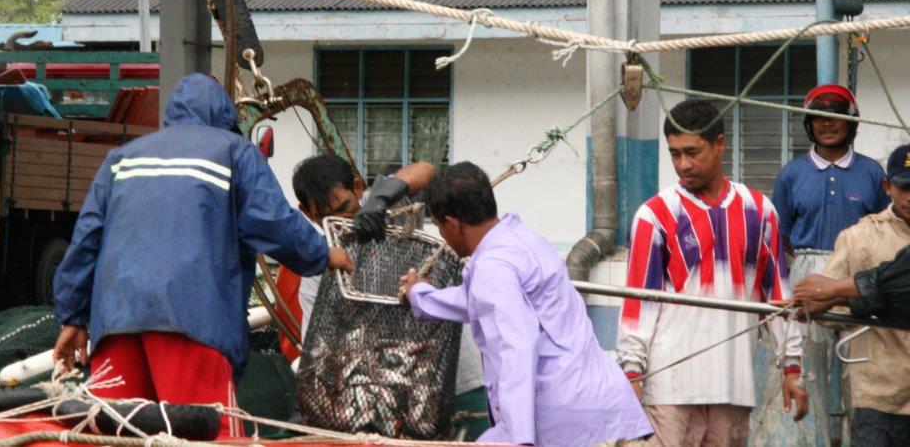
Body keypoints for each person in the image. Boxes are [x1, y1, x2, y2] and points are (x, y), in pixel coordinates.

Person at [52, 74, 353, 438]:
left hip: (115, 323)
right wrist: (323, 253)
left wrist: (72, 317)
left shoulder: (120, 159)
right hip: (192, 323)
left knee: (114, 435)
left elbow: (86, 239)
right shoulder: (234, 152)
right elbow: (273, 222)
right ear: (225, 116)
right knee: (208, 436)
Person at [400, 161, 652, 446]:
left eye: (439, 226)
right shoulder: (522, 238)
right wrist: (420, 295)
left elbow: (516, 345)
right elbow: (479, 301)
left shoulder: (492, 267)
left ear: (452, 224)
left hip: (568, 421)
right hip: (608, 408)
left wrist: (517, 438)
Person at [617, 99, 806, 446]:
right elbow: (637, 304)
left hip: (733, 385)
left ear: (720, 144)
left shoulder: (759, 210)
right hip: (669, 387)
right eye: (675, 154)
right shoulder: (655, 215)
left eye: (692, 152)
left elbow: (778, 298)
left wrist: (792, 367)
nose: (683, 164)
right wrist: (632, 372)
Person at [288, 153, 490, 440]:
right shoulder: (318, 268)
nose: (341, 221)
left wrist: (380, 200)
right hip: (395, 400)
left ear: (358, 187)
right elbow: (319, 348)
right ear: (307, 213)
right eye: (325, 217)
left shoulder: (389, 208)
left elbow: (427, 170)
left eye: (345, 207)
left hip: (462, 381)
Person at [771, 84, 887, 443]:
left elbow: (886, 229)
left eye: (835, 116)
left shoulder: (872, 172)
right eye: (819, 117)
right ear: (809, 124)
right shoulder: (792, 173)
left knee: (862, 372)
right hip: (808, 272)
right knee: (807, 370)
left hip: (859, 279)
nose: (827, 124)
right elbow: (781, 234)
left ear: (851, 123)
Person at [787, 144, 910, 445]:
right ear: (887, 187)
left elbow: (888, 285)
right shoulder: (860, 237)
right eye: (904, 187)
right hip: (878, 390)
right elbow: (826, 308)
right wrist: (821, 304)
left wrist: (837, 293)